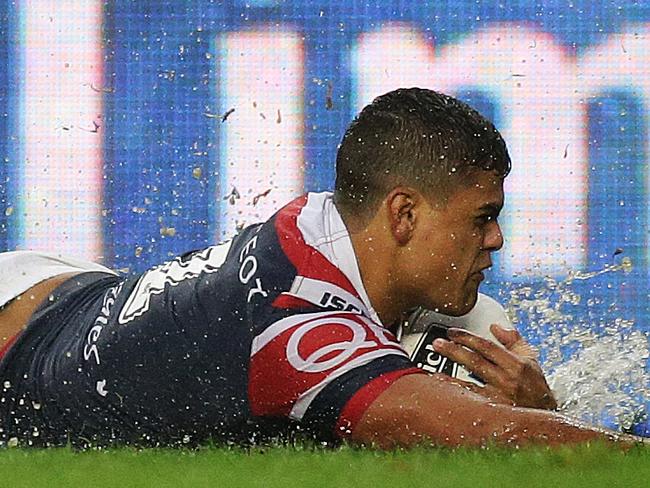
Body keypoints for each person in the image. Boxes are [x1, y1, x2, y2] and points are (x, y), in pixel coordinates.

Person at [0, 88, 644, 448]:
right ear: (403, 215)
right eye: (480, 217)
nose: (497, 240)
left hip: (59, 289)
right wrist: (554, 421)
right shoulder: (302, 324)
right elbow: (491, 433)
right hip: (14, 355)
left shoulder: (326, 225)